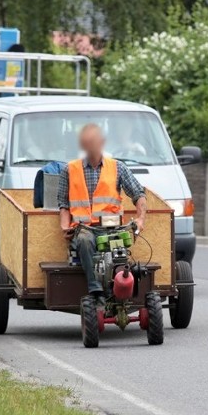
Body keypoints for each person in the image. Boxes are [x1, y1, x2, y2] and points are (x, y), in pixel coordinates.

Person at [57, 123, 147, 305]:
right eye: (87, 142)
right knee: (84, 241)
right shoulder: (70, 170)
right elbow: (64, 205)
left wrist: (140, 218)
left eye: (94, 141)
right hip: (84, 229)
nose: (91, 146)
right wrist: (64, 226)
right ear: (82, 145)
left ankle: (122, 283)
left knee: (121, 248)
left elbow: (139, 194)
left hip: (112, 228)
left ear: (102, 143)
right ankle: (95, 288)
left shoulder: (117, 168)